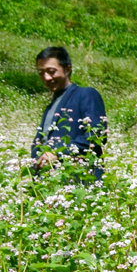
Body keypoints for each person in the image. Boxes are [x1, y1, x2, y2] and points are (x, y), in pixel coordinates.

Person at [30, 46, 107, 182]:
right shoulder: (52, 105)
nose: (47, 78)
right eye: (41, 73)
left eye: (51, 71)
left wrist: (57, 153)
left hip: (78, 180)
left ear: (68, 69)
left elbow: (96, 136)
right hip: (48, 184)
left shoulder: (85, 94)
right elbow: (39, 142)